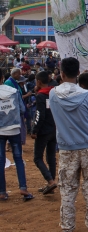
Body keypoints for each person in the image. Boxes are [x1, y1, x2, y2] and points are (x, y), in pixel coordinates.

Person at [49, 57, 88, 232]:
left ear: (61, 74)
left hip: (66, 149)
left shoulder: (53, 94)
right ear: (78, 74)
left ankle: (67, 227)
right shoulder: (87, 96)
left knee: (67, 190)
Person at [0, 68, 33, 201]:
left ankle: (2, 192)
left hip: (0, 130)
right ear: (2, 77)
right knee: (18, 159)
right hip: (14, 129)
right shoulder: (13, 91)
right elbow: (22, 109)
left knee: (0, 160)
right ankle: (23, 188)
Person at [31, 71, 57, 195]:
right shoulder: (54, 92)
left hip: (43, 130)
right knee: (51, 157)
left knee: (37, 158)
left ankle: (50, 181)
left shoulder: (41, 96)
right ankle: (51, 182)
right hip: (54, 128)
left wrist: (35, 130)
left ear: (38, 82)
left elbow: (39, 114)